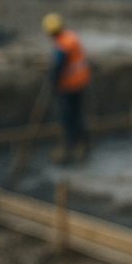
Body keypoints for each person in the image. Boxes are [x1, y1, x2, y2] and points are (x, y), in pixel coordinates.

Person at [42, 13, 91, 163]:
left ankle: (70, 148)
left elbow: (57, 67)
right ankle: (82, 144)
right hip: (81, 82)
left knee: (68, 118)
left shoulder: (62, 46)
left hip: (69, 86)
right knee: (77, 115)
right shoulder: (71, 36)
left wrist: (52, 82)